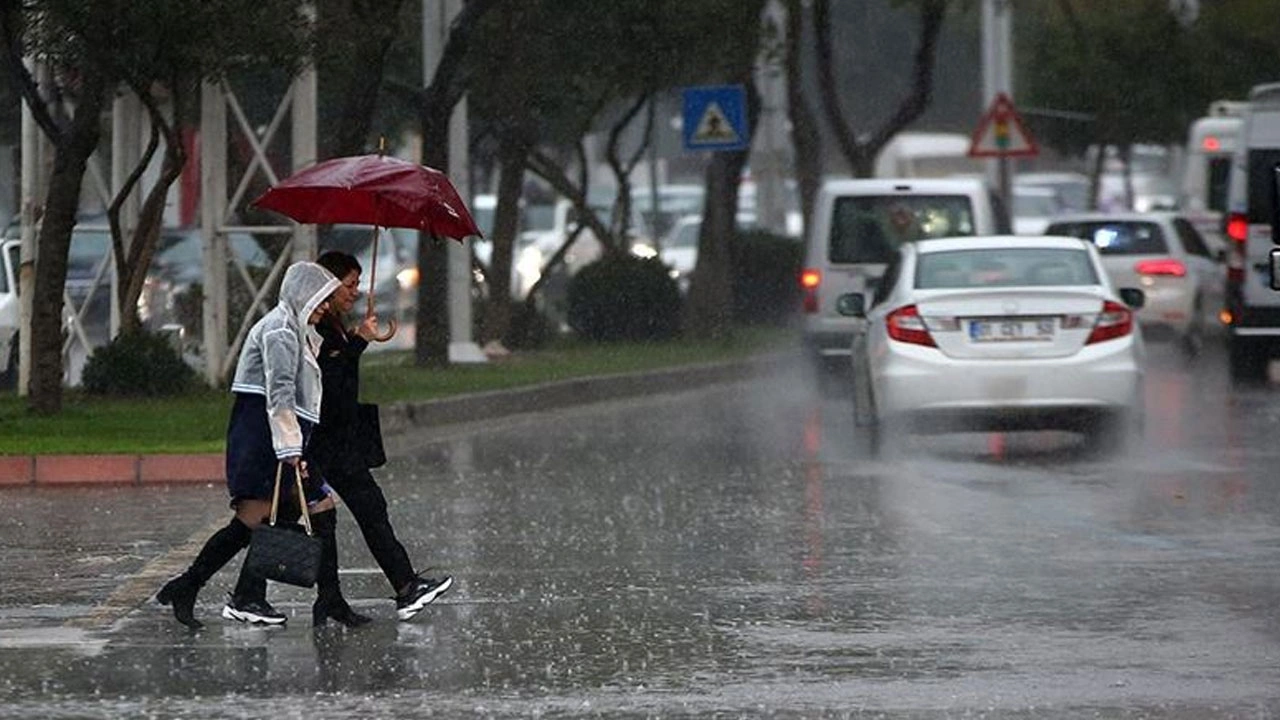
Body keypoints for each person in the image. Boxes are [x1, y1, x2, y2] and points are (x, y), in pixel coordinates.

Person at [156, 261, 341, 629]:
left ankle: (236, 593)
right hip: (263, 437)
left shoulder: (295, 330)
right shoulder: (280, 331)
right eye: (321, 299)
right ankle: (206, 588)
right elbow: (280, 394)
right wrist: (291, 450)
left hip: (274, 436)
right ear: (302, 295)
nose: (325, 307)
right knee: (254, 520)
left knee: (278, 516)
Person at [310, 250, 453, 622]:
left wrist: (358, 338)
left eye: (358, 284)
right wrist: (357, 342)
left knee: (353, 513)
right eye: (350, 284)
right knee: (272, 519)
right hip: (326, 440)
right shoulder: (318, 327)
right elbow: (329, 382)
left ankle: (342, 598)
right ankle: (402, 587)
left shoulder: (334, 325)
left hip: (338, 439)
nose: (355, 291)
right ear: (327, 284)